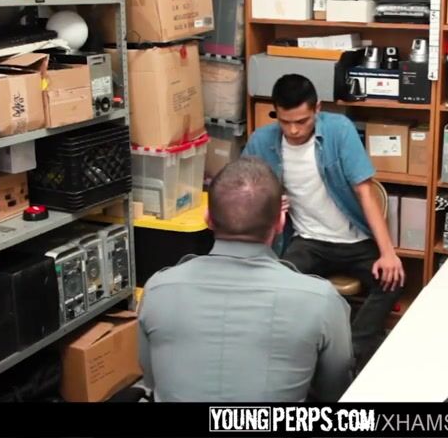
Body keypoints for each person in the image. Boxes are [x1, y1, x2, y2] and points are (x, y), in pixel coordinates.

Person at [137, 157, 354, 402]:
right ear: (280, 222)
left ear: (208, 218)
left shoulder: (157, 290)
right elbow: (336, 390)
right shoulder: (321, 300)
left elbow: (152, 382)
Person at [242, 74, 405, 366]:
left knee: (393, 280)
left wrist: (388, 252)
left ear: (317, 108)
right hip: (308, 241)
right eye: (285, 122)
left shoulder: (339, 130)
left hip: (354, 240)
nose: (293, 130)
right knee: (276, 286)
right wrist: (267, 202)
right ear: (275, 113)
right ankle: (303, 351)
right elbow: (240, 192)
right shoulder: (262, 141)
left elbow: (365, 192)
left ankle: (350, 350)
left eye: (302, 121)